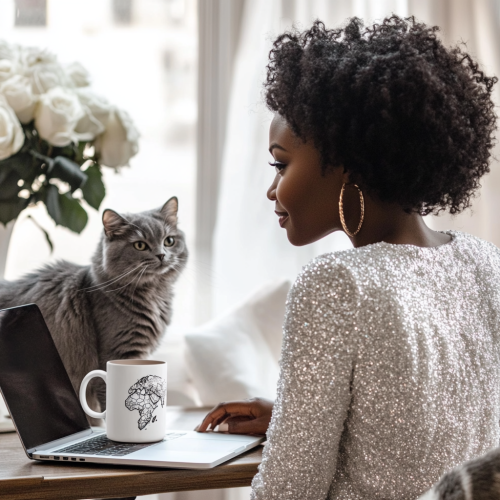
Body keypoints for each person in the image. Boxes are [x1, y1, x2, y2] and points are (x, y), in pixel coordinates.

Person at [196, 15, 500, 500]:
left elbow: (288, 493)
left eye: (281, 163)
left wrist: (295, 441)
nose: (272, 189)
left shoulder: (337, 283)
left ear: (345, 163)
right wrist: (296, 418)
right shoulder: (486, 265)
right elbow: (435, 439)